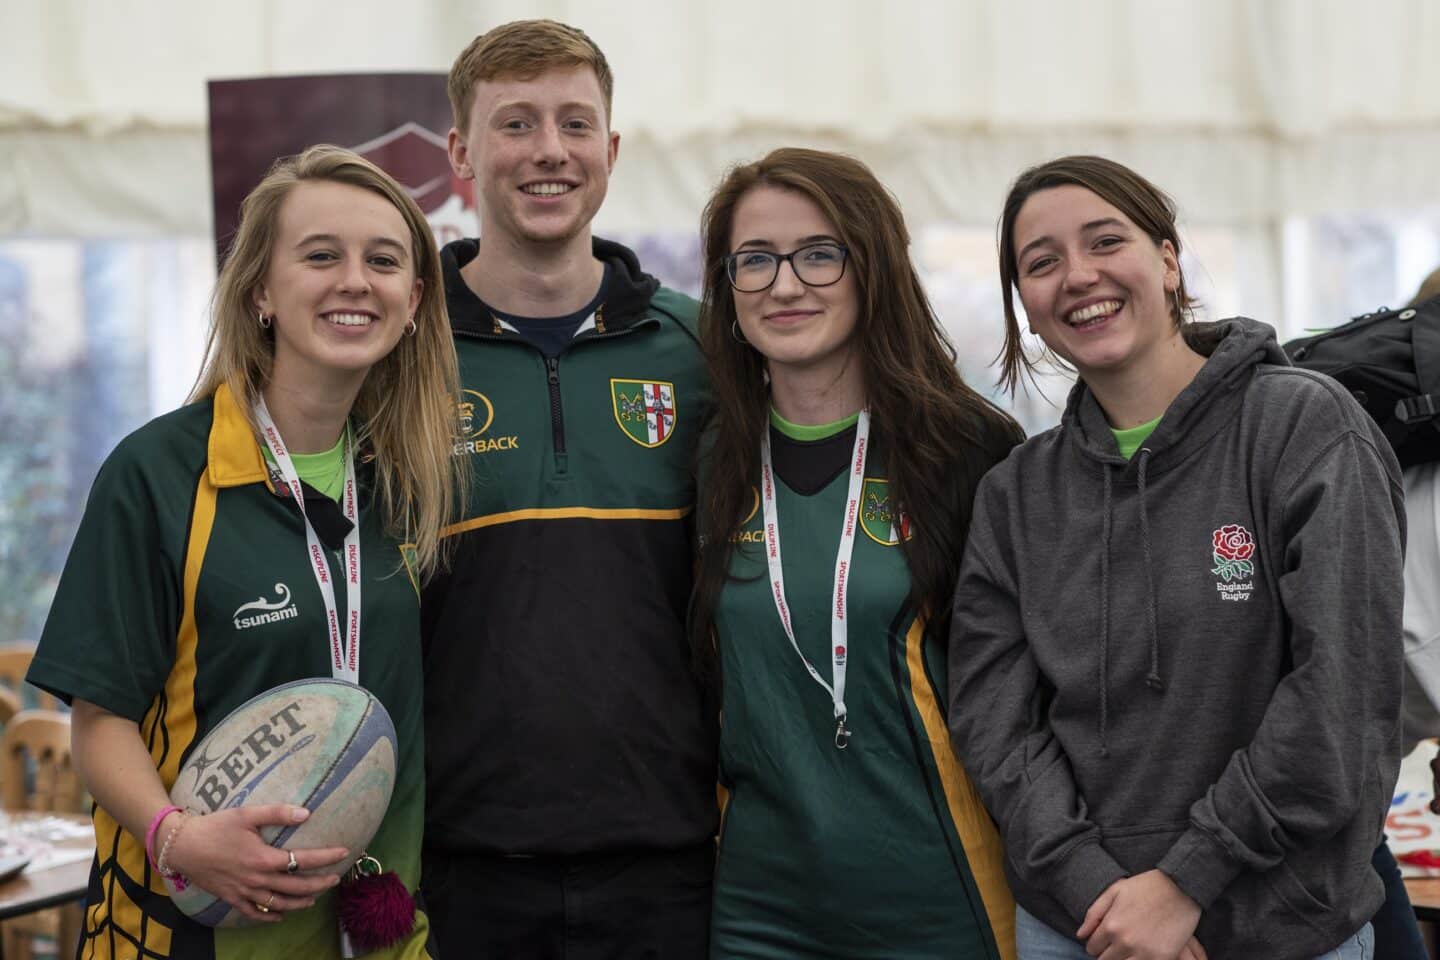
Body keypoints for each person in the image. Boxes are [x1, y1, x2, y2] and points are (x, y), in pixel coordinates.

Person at [948, 154, 1402, 960]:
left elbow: (1339, 694)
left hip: (1281, 923)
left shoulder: (1303, 428)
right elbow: (996, 726)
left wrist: (1188, 879)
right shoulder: (1015, 494)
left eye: (1104, 241)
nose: (1077, 275)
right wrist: (1102, 896)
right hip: (1084, 931)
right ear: (1026, 304)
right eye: (1041, 262)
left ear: (1166, 259)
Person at [25, 145, 463, 959]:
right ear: (261, 288)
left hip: (380, 934)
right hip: (187, 937)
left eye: (383, 260)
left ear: (413, 301)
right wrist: (178, 837)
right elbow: (97, 722)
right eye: (320, 255)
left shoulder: (411, 480)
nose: (354, 281)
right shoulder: (158, 474)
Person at [420, 19, 715, 957]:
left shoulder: (705, 347)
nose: (549, 150)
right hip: (454, 861)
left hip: (674, 860)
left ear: (611, 150)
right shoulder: (395, 348)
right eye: (516, 124)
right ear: (461, 153)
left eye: (575, 123)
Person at [690, 147, 1023, 959]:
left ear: (872, 267)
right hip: (757, 907)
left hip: (942, 899)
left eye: (819, 254)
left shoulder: (970, 448)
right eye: (755, 260)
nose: (785, 284)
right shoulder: (714, 460)